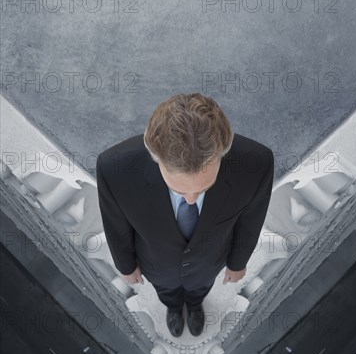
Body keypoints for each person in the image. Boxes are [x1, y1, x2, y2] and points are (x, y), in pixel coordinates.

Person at [96, 93, 274, 338]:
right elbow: (116, 223)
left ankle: (194, 305)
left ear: (224, 151)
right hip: (156, 263)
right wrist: (125, 266)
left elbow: (252, 219)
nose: (191, 199)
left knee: (199, 289)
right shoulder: (113, 168)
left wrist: (238, 262)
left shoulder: (257, 163)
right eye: (179, 190)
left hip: (209, 261)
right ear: (154, 155)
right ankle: (172, 307)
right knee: (167, 292)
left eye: (203, 188)